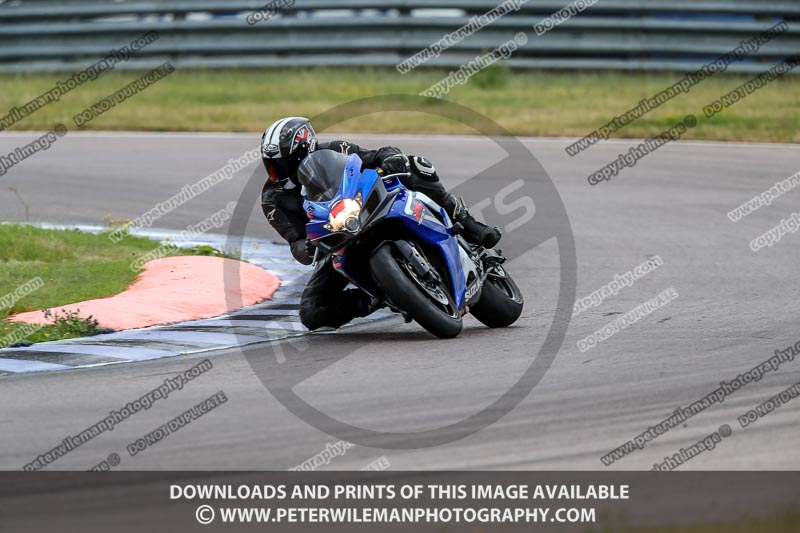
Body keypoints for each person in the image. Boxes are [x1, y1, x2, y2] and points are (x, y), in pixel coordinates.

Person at [260, 116, 501, 330]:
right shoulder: (272, 198)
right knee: (311, 313)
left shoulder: (335, 150)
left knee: (416, 166)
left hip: (369, 205)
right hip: (333, 239)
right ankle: (375, 298)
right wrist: (308, 247)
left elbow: (375, 155)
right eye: (271, 165)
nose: (277, 172)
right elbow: (296, 242)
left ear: (305, 149)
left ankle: (470, 226)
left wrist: (392, 158)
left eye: (283, 163)